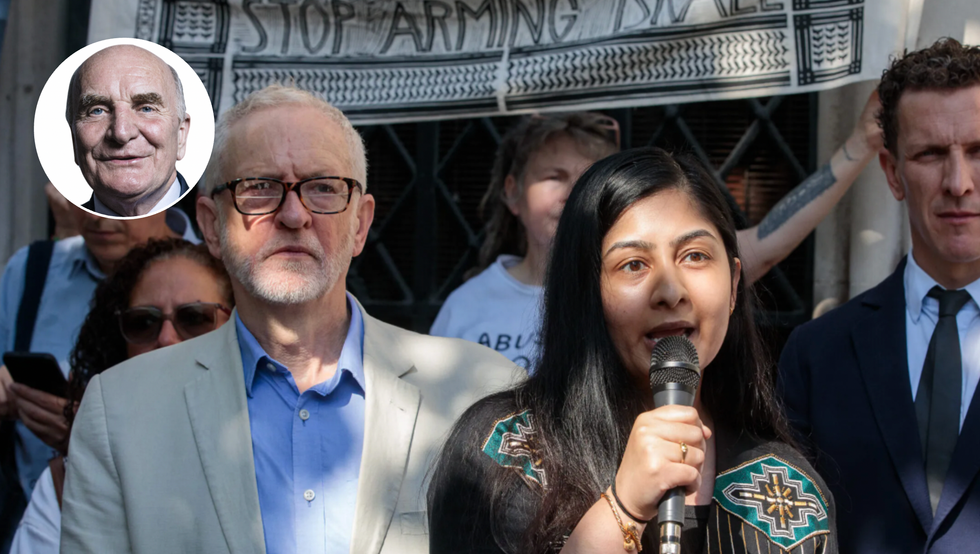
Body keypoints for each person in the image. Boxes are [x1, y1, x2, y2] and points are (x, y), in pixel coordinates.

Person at [60, 84, 517, 554]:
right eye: (259, 187)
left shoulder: (483, 391)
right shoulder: (119, 412)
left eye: (323, 187)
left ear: (360, 224)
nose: (294, 215)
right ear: (212, 225)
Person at [428, 147, 837, 553]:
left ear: (732, 285)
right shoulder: (504, 453)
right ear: (584, 291)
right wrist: (623, 509)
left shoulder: (788, 494)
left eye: (694, 256)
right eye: (633, 264)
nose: (671, 291)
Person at [431, 96, 883, 370]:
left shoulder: (648, 286)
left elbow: (768, 239)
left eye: (589, 177)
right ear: (512, 192)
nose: (573, 193)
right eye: (554, 176)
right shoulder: (466, 307)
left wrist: (860, 145)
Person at [778, 38, 980, 553]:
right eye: (931, 154)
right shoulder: (816, 354)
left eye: (979, 151)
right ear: (893, 173)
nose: (958, 183)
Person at [9, 238, 233, 554]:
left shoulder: (273, 449)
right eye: (143, 322)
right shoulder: (69, 481)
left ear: (239, 327)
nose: (166, 338)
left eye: (194, 318)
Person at [0, 208, 179, 548]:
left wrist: (90, 439)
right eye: (86, 198)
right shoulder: (32, 269)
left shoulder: (212, 270)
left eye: (119, 204)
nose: (99, 218)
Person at [65, 44, 191, 217]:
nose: (121, 133)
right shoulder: (56, 228)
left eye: (146, 109)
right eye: (97, 111)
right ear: (74, 138)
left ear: (181, 135)